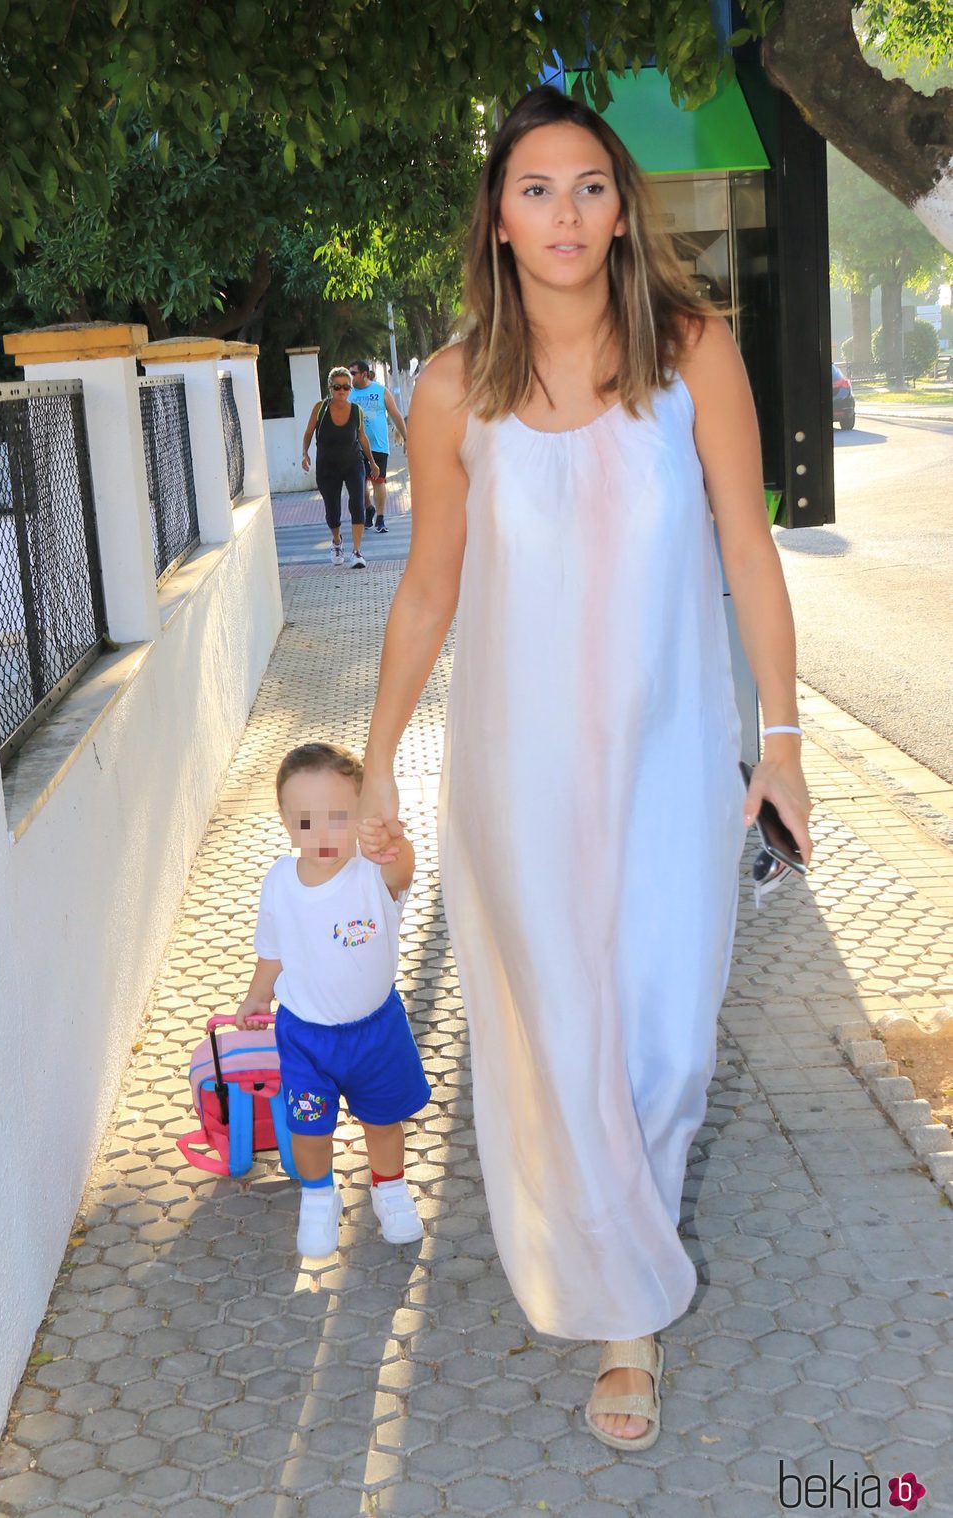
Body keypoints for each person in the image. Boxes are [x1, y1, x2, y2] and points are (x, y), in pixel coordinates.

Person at [356, 86, 812, 1451]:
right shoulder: (451, 387)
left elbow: (746, 546)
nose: (567, 213)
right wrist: (376, 761)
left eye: (590, 186)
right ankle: (626, 1312)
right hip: (519, 774)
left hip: (673, 764)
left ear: (623, 207)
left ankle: (624, 1265)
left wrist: (781, 737)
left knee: (663, 1029)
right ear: (497, 218)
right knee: (559, 1037)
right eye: (537, 188)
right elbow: (431, 586)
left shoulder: (692, 351)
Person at [234, 741, 430, 1258]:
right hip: (305, 1038)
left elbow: (403, 869)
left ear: (361, 812)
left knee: (383, 1122)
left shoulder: (373, 873)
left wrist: (392, 841)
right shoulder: (279, 883)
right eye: (306, 822)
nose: (322, 835)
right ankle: (320, 1196)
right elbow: (273, 952)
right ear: (284, 820)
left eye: (338, 817)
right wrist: (257, 998)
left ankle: (388, 1187)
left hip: (376, 1032)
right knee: (309, 1129)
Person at [301, 367, 380, 568]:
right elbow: (309, 432)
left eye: (346, 387)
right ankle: (337, 542)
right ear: (330, 388)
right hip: (327, 466)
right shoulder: (320, 408)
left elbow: (362, 437)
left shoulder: (356, 411)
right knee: (332, 508)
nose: (342, 391)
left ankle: (357, 552)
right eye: (338, 387)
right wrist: (305, 453)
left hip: (354, 463)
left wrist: (372, 461)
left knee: (357, 503)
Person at [349, 360, 408, 533]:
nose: (351, 377)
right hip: (355, 447)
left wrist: (407, 439)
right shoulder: (348, 393)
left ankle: (380, 518)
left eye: (354, 373)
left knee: (378, 481)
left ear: (364, 374)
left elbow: (396, 415)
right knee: (360, 484)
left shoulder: (380, 391)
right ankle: (369, 509)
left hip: (378, 446)